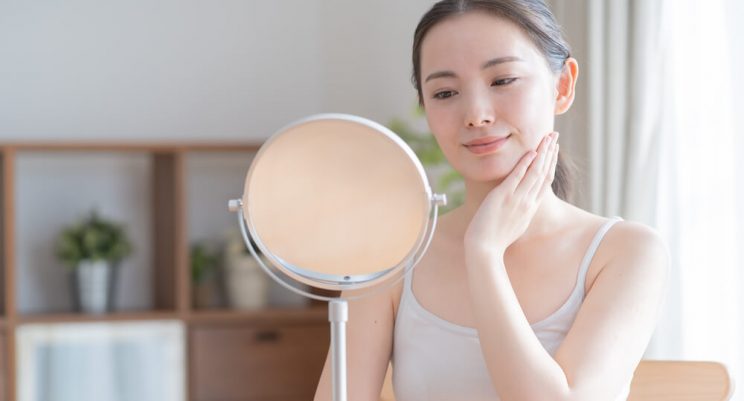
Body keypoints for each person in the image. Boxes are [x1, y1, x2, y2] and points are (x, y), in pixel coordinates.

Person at [314, 0, 669, 400]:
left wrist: (483, 254)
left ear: (563, 86)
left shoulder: (626, 252)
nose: (476, 115)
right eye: (445, 92)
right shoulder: (389, 257)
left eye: (502, 81)